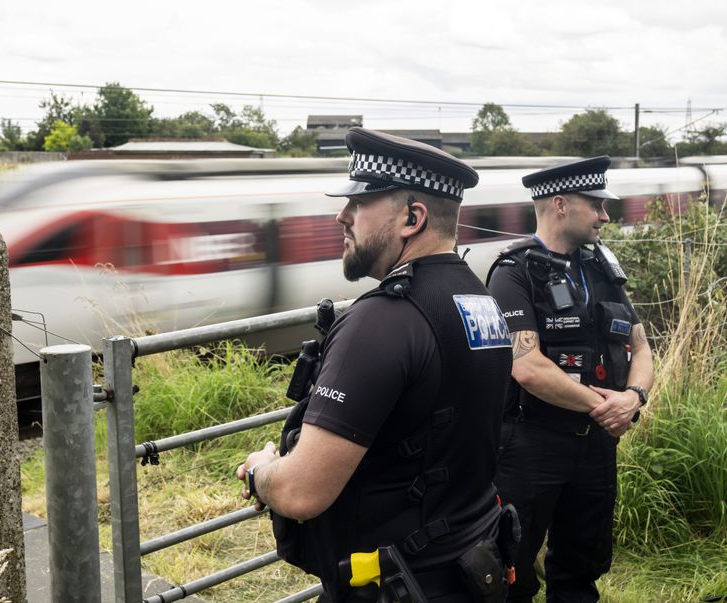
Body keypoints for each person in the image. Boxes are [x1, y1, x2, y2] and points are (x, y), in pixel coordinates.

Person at [236, 128, 516, 602]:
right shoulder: (479, 300)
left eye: (360, 203)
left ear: (412, 218)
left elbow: (303, 492)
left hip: (396, 586)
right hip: (468, 568)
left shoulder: (382, 321)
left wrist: (262, 470)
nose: (341, 215)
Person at [486, 156, 655, 602]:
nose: (605, 215)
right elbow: (527, 366)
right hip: (531, 446)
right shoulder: (513, 273)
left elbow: (641, 347)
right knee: (511, 571)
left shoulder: (603, 268)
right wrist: (609, 407)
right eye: (596, 204)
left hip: (596, 445)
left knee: (582, 569)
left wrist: (634, 397)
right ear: (560, 203)